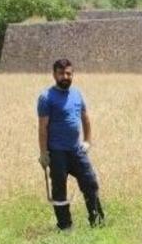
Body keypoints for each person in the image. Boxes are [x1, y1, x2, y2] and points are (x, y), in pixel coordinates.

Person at [37, 58, 104, 230]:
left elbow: (86, 119)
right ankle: (65, 227)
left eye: (68, 73)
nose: (65, 77)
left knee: (90, 183)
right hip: (57, 152)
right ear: (54, 75)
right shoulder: (46, 97)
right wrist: (44, 153)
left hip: (77, 150)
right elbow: (43, 127)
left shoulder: (77, 94)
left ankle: (97, 222)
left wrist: (87, 141)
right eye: (61, 73)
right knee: (59, 190)